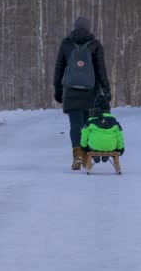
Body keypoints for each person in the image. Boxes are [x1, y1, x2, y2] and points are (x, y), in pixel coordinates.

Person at [53, 16, 111, 170]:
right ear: (89, 28)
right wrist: (107, 90)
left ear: (74, 27)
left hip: (71, 93)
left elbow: (58, 69)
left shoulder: (66, 44)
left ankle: (77, 155)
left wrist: (57, 90)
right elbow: (101, 70)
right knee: (88, 125)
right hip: (91, 93)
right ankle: (87, 157)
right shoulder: (95, 45)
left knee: (75, 125)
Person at [80, 94, 124, 164]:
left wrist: (84, 146)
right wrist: (120, 148)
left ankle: (95, 156)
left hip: (95, 146)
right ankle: (106, 155)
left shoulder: (91, 120)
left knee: (93, 143)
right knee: (108, 143)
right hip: (110, 147)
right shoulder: (113, 120)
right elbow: (119, 134)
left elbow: (84, 134)